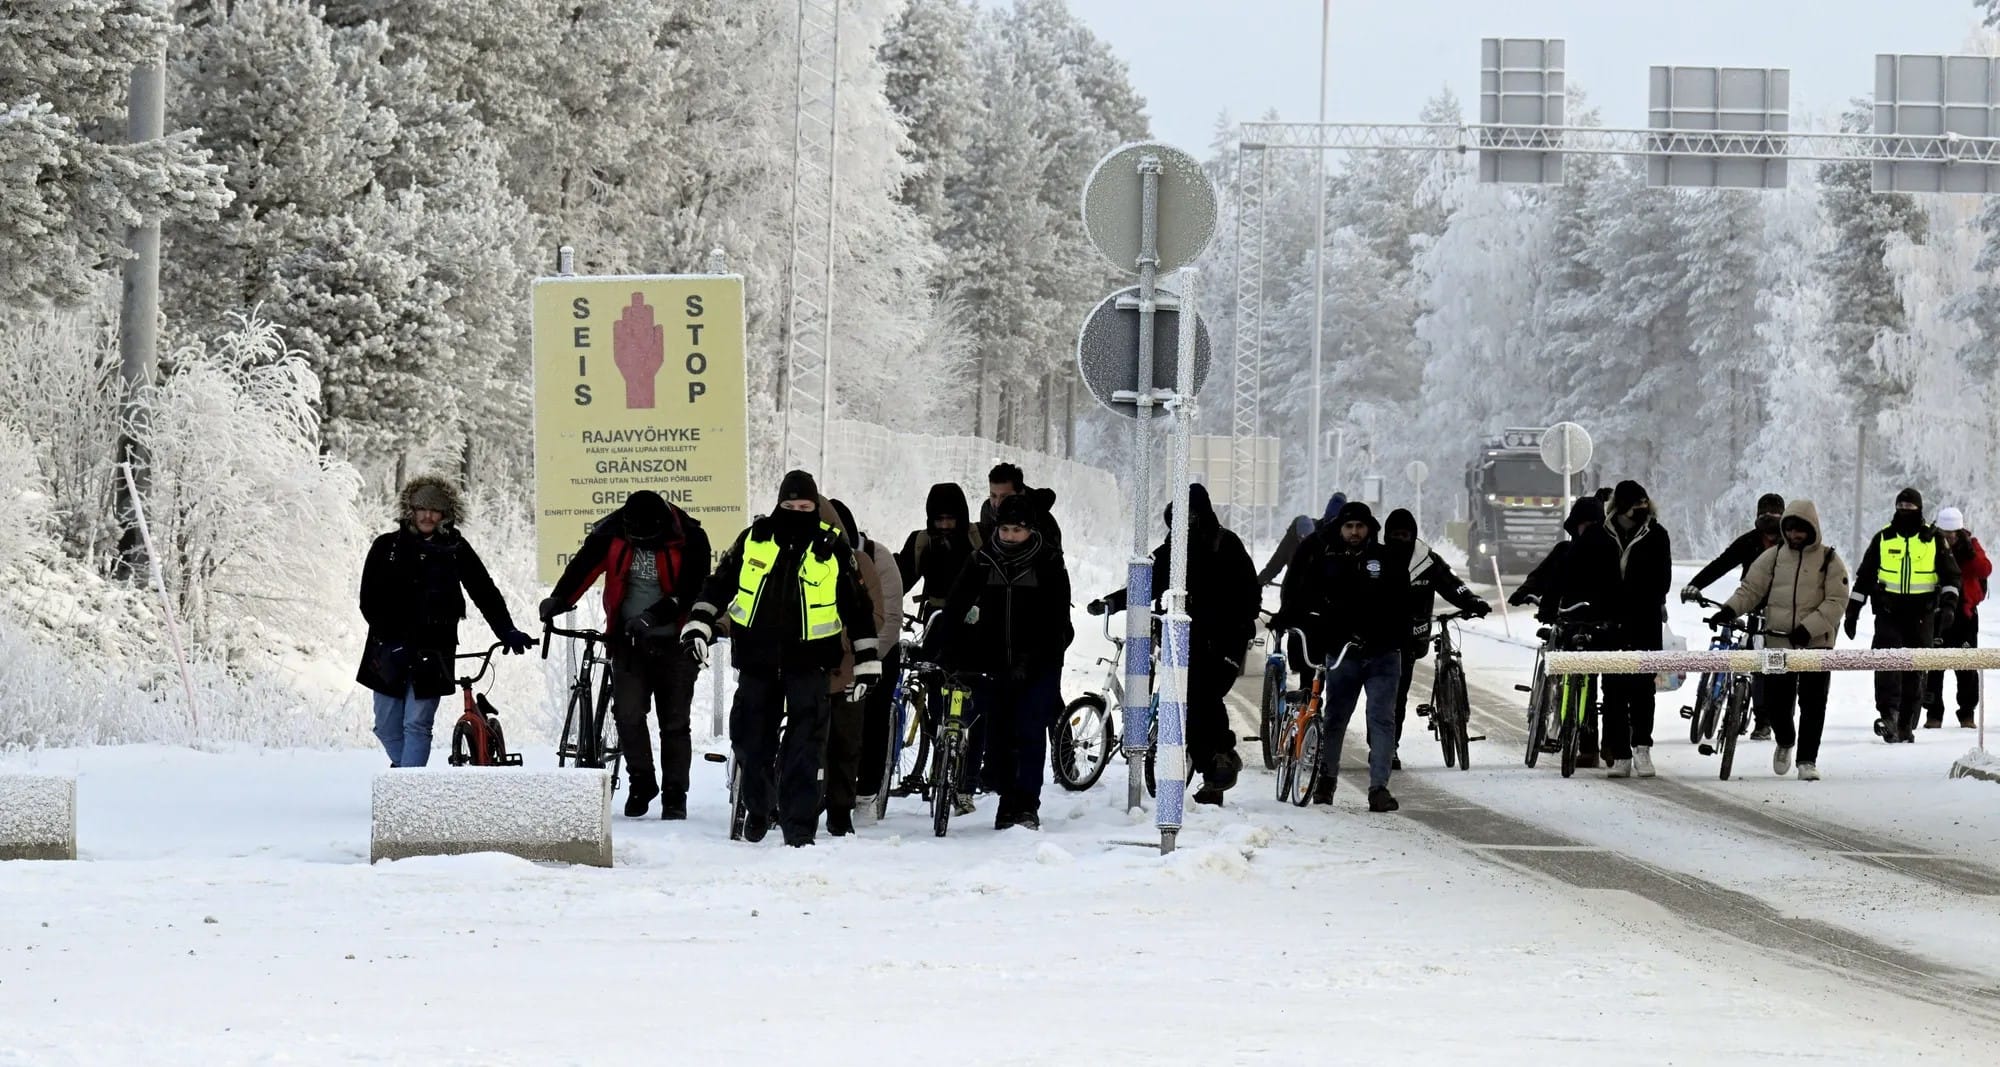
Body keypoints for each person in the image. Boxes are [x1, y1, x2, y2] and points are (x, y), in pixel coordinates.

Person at [680, 471, 879, 846]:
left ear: (815, 506)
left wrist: (867, 661)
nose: (796, 512)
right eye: (789, 506)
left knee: (806, 751)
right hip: (758, 659)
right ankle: (759, 807)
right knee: (749, 743)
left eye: (805, 507)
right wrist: (699, 623)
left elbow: (858, 607)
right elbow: (719, 583)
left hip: (812, 663)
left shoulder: (831, 546)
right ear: (778, 504)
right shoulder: (754, 539)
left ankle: (799, 829)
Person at [540, 490, 712, 819]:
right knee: (628, 714)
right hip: (627, 642)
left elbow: (692, 590)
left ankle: (675, 793)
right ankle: (642, 781)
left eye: (649, 539)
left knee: (674, 722)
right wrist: (559, 600)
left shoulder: (691, 536)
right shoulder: (612, 531)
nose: (643, 543)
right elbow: (583, 567)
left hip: (676, 642)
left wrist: (654, 616)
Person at [1090, 484, 1260, 804]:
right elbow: (1145, 583)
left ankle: (1219, 758)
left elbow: (1250, 599)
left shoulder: (1225, 545)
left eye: (1191, 517)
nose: (1185, 525)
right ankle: (1212, 772)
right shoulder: (1171, 551)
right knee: (1184, 701)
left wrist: (1221, 622)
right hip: (1186, 642)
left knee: (1200, 696)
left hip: (1224, 643)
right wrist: (1112, 601)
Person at [357, 475, 534, 768]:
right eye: (421, 508)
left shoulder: (455, 548)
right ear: (410, 510)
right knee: (386, 726)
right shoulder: (385, 547)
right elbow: (369, 600)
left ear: (445, 514)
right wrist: (393, 639)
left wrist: (507, 630)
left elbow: (483, 590)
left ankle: (409, 791)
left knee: (417, 723)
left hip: (434, 650)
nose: (427, 515)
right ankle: (405, 774)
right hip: (388, 649)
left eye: (435, 510)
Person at [925, 494, 1074, 829]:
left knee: (1029, 730)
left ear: (1030, 530)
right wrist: (944, 649)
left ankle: (1025, 806)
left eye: (1016, 530)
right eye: (1004, 529)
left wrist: (1030, 661)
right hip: (994, 662)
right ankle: (1006, 802)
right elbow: (956, 606)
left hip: (1039, 662)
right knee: (1001, 734)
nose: (1009, 536)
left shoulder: (1048, 562)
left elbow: (1055, 622)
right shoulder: (982, 560)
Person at [1275, 500, 1410, 812]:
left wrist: (1393, 637)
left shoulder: (1386, 560)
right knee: (1335, 718)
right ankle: (1326, 780)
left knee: (1381, 719)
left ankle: (1378, 788)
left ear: (1369, 529)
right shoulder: (1326, 559)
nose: (1354, 532)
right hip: (1342, 655)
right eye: (1348, 526)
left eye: (1359, 526)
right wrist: (1290, 618)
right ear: (1340, 528)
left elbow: (1401, 606)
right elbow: (1306, 596)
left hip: (1382, 655)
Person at [1711, 499, 1849, 780]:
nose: (1795, 536)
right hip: (1778, 643)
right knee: (1776, 702)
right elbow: (1750, 590)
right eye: (1791, 530)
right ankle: (1785, 740)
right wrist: (1728, 610)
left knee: (1813, 704)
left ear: (1813, 530)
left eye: (1802, 530)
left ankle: (1807, 760)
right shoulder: (1772, 557)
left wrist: (1808, 628)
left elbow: (1837, 600)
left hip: (1816, 645)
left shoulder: (1829, 559)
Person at [1565, 480, 1671, 779]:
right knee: (1612, 690)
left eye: (1643, 505)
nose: (1639, 511)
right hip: (1607, 623)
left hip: (1644, 622)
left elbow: (1662, 580)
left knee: (1642, 688)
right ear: (1620, 507)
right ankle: (1620, 752)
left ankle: (1642, 747)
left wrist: (1636, 598)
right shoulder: (1599, 535)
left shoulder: (1656, 535)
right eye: (1633, 505)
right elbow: (1578, 572)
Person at [1846, 488, 1962, 744]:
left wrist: (1949, 606)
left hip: (1922, 615)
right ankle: (1889, 715)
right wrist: (1853, 609)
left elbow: (1951, 577)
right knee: (1887, 662)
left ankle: (1907, 720)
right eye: (1901, 506)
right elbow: (1865, 576)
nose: (1906, 511)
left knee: (1914, 668)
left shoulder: (1933, 539)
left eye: (1910, 507)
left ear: (1919, 509)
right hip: (1889, 612)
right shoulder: (1883, 538)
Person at [1382, 509, 1491, 766]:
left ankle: (1389, 748)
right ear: (1387, 536)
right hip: (1383, 639)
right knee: (1387, 697)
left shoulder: (1427, 560)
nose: (1400, 539)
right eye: (1395, 535)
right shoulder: (1378, 559)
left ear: (1413, 534)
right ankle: (1384, 747)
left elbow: (1451, 583)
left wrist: (1471, 600)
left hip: (1413, 638)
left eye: (1405, 534)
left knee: (1398, 696)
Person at [824, 497, 902, 834]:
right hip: (831, 649)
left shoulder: (876, 558)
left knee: (871, 718)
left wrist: (865, 658)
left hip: (876, 649)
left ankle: (867, 791)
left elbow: (889, 618)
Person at [1510, 496, 1606, 766]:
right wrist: (1526, 591)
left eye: (1593, 524)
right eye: (1583, 524)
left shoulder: (1607, 552)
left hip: (1594, 625)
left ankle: (1590, 746)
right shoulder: (1565, 551)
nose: (1587, 529)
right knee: (1568, 671)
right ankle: (1553, 716)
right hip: (1565, 620)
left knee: (1590, 684)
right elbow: (1543, 576)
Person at [1682, 493, 1786, 740]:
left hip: (1780, 612)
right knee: (1749, 655)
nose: (1769, 520)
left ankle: (1763, 721)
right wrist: (1696, 585)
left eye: (1774, 514)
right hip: (1749, 604)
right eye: (1764, 514)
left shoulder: (1790, 546)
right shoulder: (1749, 541)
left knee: (1768, 666)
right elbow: (1722, 564)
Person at [1924, 506, 1988, 730]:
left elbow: (1984, 569)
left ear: (1960, 532)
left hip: (1965, 613)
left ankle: (1967, 713)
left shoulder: (1971, 545)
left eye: (1953, 534)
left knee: (1967, 666)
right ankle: (1933, 714)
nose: (1949, 539)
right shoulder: (1929, 544)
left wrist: (1969, 551)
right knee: (1934, 665)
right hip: (1937, 611)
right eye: (1945, 534)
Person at [897, 482, 983, 619]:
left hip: (975, 618)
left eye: (950, 518)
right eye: (939, 519)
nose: (945, 525)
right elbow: (899, 583)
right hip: (937, 619)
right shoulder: (921, 541)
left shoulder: (979, 536)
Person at [978, 462, 1063, 548]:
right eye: (993, 496)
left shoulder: (1043, 521)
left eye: (1004, 497)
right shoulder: (988, 508)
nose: (997, 503)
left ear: (1021, 493)